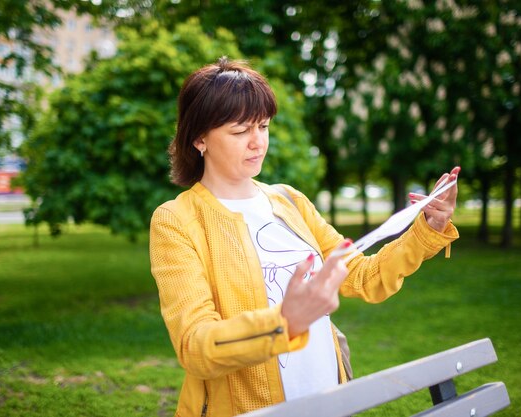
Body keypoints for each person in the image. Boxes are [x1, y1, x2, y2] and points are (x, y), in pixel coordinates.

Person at [149, 57, 460, 417]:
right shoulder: (176, 220)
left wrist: (428, 229)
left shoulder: (288, 200)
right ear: (199, 138)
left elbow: (362, 276)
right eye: (239, 131)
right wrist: (284, 323)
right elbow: (195, 347)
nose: (257, 142)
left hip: (325, 397)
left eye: (263, 126)